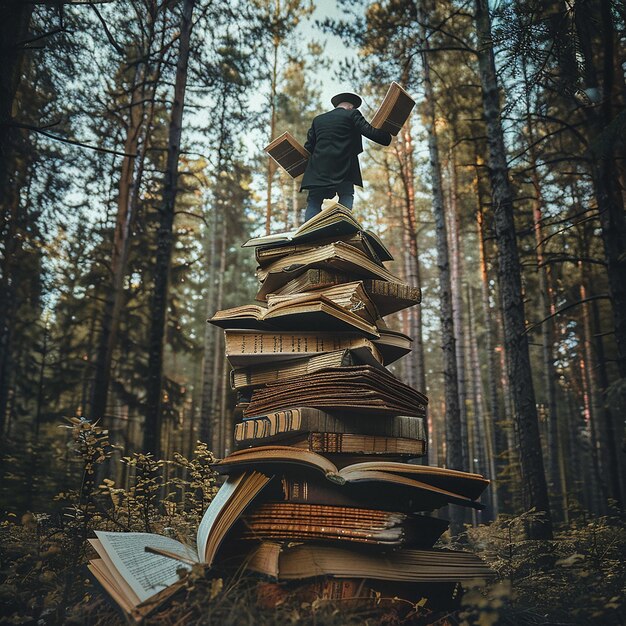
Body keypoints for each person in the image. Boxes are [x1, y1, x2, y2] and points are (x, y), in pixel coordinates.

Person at [300, 92, 393, 222]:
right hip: (343, 168)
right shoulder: (352, 114)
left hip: (317, 170)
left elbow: (308, 147)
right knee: (346, 196)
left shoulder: (318, 119)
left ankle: (309, 232)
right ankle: (340, 227)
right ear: (351, 106)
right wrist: (387, 136)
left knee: (314, 201)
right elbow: (369, 131)